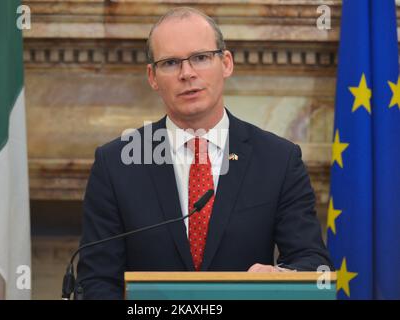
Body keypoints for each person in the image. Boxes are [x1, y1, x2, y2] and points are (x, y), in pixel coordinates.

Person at [76, 7, 333, 299]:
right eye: (171, 63)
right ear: (152, 77)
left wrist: (282, 276)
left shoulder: (278, 159)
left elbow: (313, 263)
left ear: (226, 63)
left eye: (200, 57)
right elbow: (96, 282)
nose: (187, 74)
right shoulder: (116, 164)